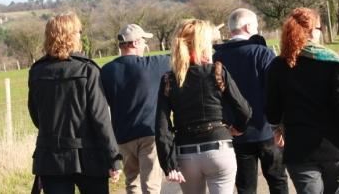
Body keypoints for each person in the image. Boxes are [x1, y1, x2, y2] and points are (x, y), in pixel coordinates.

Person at [265, 7, 339, 194]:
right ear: (311, 31)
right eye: (319, 28)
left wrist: (276, 128)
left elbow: (271, 108)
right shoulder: (330, 62)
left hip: (299, 150)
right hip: (335, 149)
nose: (321, 32)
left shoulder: (278, 65)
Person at [28, 12, 122, 194]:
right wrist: (113, 157)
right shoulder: (88, 69)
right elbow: (100, 119)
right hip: (90, 157)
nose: (81, 35)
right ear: (70, 35)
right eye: (79, 31)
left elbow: (36, 116)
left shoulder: (37, 71)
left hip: (51, 158)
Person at [155, 18, 252, 194]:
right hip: (219, 148)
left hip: (186, 154)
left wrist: (168, 164)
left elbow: (162, 126)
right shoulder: (217, 71)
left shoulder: (169, 79)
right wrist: (237, 127)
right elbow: (244, 110)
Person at [213, 8, 288, 194]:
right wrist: (281, 125)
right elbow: (277, 90)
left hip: (235, 132)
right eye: (255, 26)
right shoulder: (262, 53)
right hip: (266, 130)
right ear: (247, 27)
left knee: (245, 187)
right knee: (278, 181)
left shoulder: (217, 58)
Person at [101, 24, 170, 194]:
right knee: (151, 184)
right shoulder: (154, 64)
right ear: (136, 43)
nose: (145, 46)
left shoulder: (106, 71)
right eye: (144, 41)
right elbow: (179, 55)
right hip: (149, 133)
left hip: (123, 136)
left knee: (132, 183)